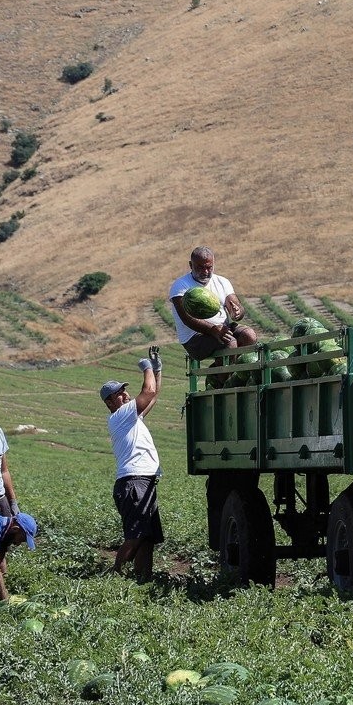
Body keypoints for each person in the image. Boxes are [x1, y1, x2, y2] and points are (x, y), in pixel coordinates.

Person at [100, 346, 165, 581]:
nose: (125, 394)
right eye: (119, 393)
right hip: (133, 481)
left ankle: (142, 578)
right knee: (136, 535)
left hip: (143, 480)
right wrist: (146, 367)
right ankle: (115, 575)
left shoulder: (130, 417)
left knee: (147, 538)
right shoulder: (120, 415)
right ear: (110, 402)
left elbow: (153, 395)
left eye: (124, 390)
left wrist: (157, 369)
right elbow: (147, 392)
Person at [168, 246, 258, 360]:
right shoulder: (180, 286)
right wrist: (212, 330)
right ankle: (225, 377)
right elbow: (187, 318)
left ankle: (236, 374)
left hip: (222, 329)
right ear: (191, 265)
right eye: (200, 268)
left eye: (209, 267)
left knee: (249, 336)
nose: (205, 272)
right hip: (195, 337)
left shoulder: (222, 282)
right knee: (230, 343)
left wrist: (237, 312)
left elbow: (235, 305)